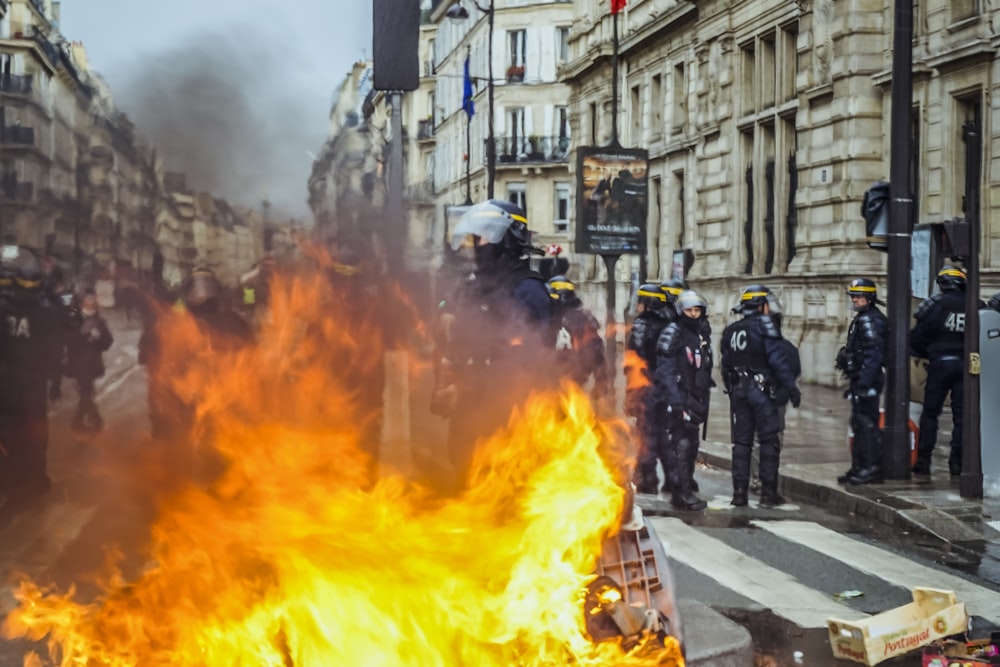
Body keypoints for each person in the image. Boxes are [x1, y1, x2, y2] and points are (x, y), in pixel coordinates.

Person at [433, 199, 551, 489]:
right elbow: (454, 346)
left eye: (483, 236)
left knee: (503, 490)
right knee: (463, 478)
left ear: (508, 238)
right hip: (468, 415)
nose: (476, 244)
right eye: (474, 236)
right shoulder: (472, 287)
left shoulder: (528, 289)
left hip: (507, 417)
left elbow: (526, 359)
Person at [721, 284, 801, 507]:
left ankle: (739, 493)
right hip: (761, 392)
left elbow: (725, 366)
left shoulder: (732, 330)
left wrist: (732, 389)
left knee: (742, 443)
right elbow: (778, 361)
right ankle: (768, 493)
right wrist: (792, 389)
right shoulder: (765, 327)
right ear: (762, 306)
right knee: (768, 442)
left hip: (739, 391)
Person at [0, 245, 65, 502]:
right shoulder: (47, 311)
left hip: (10, 381)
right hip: (32, 384)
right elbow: (55, 350)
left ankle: (10, 478)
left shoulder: (4, 309)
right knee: (35, 434)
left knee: (9, 432)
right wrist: (55, 381)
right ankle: (35, 478)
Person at [910, 265, 974, 477]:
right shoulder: (975, 304)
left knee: (930, 413)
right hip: (966, 366)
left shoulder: (934, 304)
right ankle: (957, 462)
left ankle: (924, 460)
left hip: (939, 364)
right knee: (962, 415)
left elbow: (917, 336)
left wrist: (926, 353)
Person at [654, 290, 714, 511]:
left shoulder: (699, 334)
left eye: (697, 310)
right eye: (689, 310)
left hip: (695, 396)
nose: (693, 314)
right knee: (682, 444)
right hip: (679, 396)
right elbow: (665, 371)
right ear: (681, 311)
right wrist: (676, 400)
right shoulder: (673, 332)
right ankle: (681, 493)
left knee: (692, 443)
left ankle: (685, 486)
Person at [835, 278, 888, 485]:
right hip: (861, 379)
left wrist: (864, 384)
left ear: (869, 298)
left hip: (868, 381)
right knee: (858, 423)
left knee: (867, 425)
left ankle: (871, 468)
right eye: (853, 296)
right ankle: (859, 467)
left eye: (859, 296)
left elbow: (873, 355)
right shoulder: (863, 318)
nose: (855, 300)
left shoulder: (869, 320)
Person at [626, 282, 675, 495]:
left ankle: (647, 479)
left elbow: (634, 362)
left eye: (640, 302)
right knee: (662, 435)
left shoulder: (641, 326)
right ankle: (673, 479)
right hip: (664, 388)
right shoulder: (669, 325)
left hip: (645, 388)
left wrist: (631, 395)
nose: (637, 306)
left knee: (646, 435)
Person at [545, 275, 608, 399]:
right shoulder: (586, 318)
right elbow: (597, 351)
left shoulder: (554, 320)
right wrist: (601, 381)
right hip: (575, 381)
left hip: (559, 382)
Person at [64, 290, 114, 435]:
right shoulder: (72, 320)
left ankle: (81, 421)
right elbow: (66, 339)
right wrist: (81, 334)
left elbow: (108, 342)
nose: (90, 306)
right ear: (80, 304)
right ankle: (90, 421)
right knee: (86, 392)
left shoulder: (99, 322)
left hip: (92, 364)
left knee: (86, 393)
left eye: (93, 304)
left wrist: (97, 339)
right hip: (77, 364)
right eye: (87, 303)